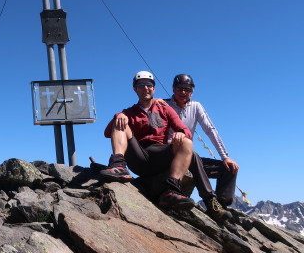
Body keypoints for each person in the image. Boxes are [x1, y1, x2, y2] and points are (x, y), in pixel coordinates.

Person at [100, 71, 232, 222]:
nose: (145, 88)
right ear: (135, 89)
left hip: (159, 154)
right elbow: (107, 133)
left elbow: (185, 130)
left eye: (149, 85)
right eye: (141, 85)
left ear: (154, 89)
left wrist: (181, 134)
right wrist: (119, 115)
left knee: (189, 146)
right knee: (120, 122)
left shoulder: (163, 107)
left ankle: (176, 192)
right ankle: (118, 164)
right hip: (138, 154)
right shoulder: (129, 112)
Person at [164, 74, 239, 208]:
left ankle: (220, 206)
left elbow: (210, 130)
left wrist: (225, 157)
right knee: (195, 156)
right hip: (168, 154)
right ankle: (211, 202)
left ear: (192, 92)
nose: (183, 92)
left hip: (188, 157)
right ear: (173, 89)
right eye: (179, 88)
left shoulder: (196, 106)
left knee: (228, 169)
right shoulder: (163, 105)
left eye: (187, 89)